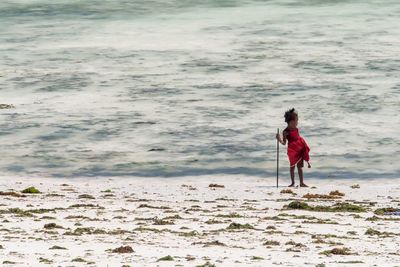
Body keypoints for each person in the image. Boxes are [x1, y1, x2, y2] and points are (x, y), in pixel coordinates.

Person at [276, 108, 311, 187]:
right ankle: (292, 182)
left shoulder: (296, 129)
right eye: (296, 120)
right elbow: (284, 143)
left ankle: (301, 183)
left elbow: (297, 138)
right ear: (291, 122)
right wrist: (279, 139)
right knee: (292, 166)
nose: (297, 122)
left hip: (300, 148)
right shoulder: (285, 131)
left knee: (300, 166)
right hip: (292, 150)